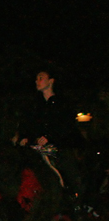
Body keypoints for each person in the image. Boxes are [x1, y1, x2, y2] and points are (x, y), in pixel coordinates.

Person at [16, 70, 85, 204]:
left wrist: (50, 137)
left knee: (68, 169)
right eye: (36, 79)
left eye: (41, 78)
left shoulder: (62, 103)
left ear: (51, 81)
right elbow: (27, 124)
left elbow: (66, 126)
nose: (37, 81)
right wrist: (24, 137)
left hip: (60, 146)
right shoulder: (35, 105)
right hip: (37, 147)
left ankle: (75, 200)